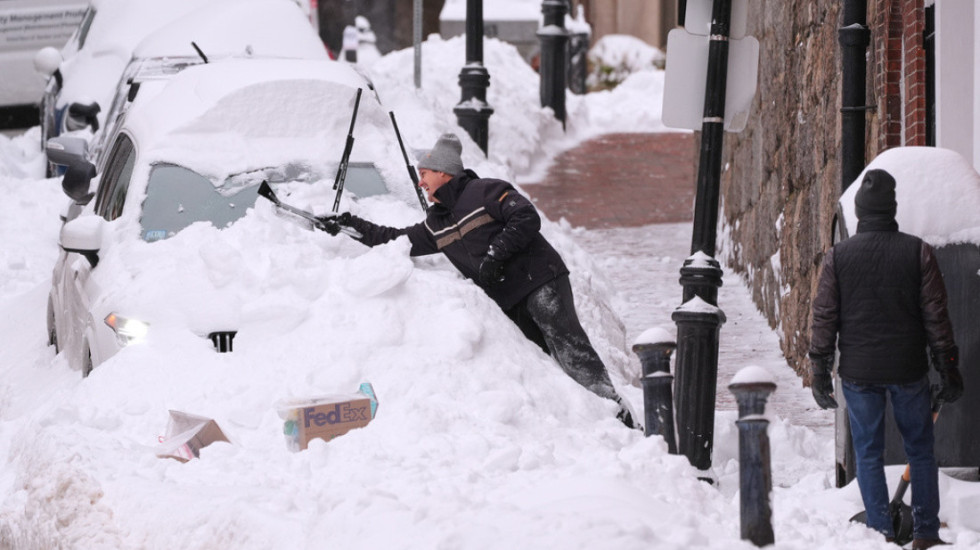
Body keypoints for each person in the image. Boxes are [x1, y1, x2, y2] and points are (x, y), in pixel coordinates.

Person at [318, 132, 640, 430]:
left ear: (444, 172)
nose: (421, 182)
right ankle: (591, 425)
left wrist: (495, 255)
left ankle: (620, 418)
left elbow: (526, 216)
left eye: (425, 174)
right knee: (547, 365)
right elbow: (394, 239)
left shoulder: (485, 190)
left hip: (541, 280)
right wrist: (349, 225)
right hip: (511, 301)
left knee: (572, 351)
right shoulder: (437, 225)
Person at [808, 169, 964, 549]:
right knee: (921, 450)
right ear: (891, 210)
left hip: (859, 373)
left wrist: (819, 367)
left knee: (868, 453)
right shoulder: (917, 251)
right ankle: (926, 533)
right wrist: (947, 366)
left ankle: (880, 532)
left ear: (860, 212)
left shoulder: (838, 257)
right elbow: (936, 316)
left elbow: (824, 315)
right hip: (908, 370)